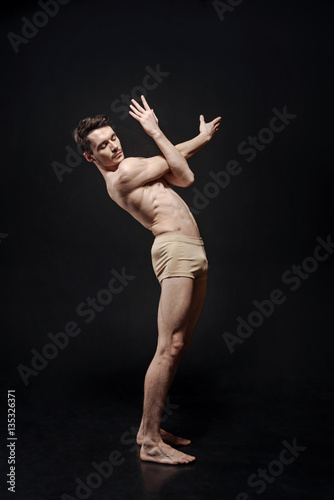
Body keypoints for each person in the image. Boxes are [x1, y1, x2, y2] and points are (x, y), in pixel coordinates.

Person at [73, 95, 221, 464]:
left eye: (112, 138)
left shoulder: (133, 164)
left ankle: (149, 427)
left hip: (192, 248)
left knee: (180, 344)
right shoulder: (122, 176)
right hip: (175, 251)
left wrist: (199, 138)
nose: (112, 146)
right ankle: (150, 441)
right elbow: (184, 175)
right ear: (90, 158)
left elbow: (175, 166)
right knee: (168, 345)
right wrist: (157, 130)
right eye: (102, 146)